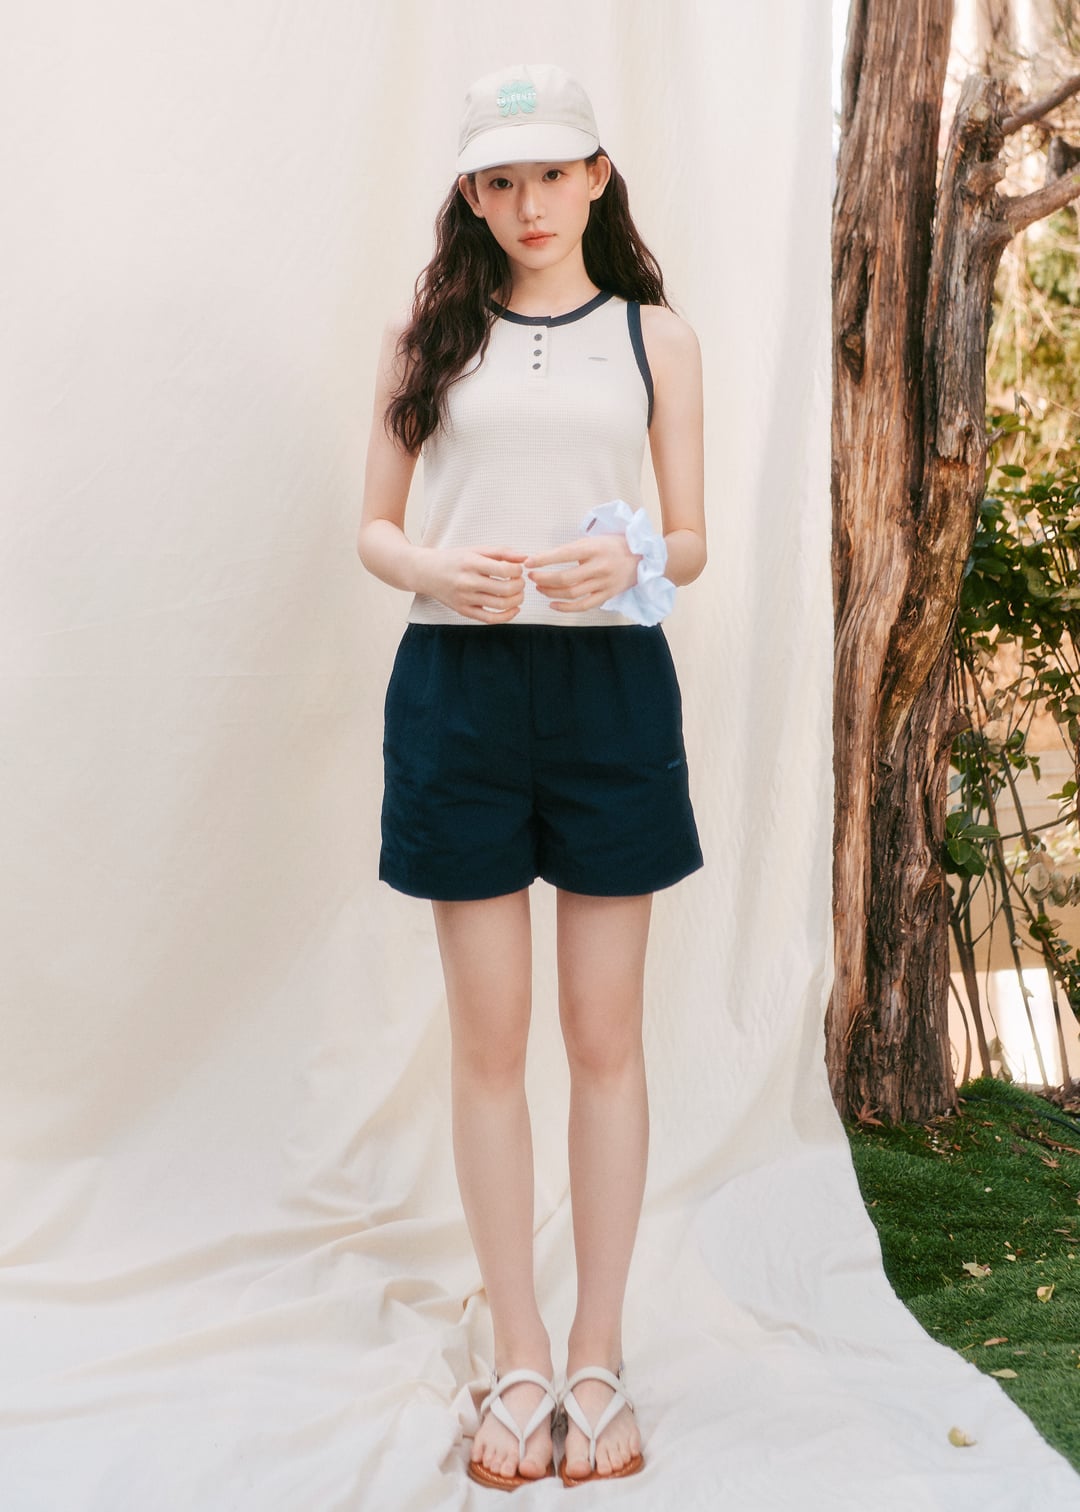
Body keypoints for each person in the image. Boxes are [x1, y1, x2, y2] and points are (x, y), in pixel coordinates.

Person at [357, 61, 706, 1491]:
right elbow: (376, 528)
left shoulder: (655, 336)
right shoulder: (427, 334)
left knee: (605, 1039)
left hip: (613, 693)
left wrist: (631, 560)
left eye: (553, 173)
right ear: (472, 193)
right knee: (489, 1046)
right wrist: (437, 569)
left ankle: (597, 1354)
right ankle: (518, 1356)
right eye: (501, 180)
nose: (530, 203)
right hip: (457, 692)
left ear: (598, 176)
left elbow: (690, 539)